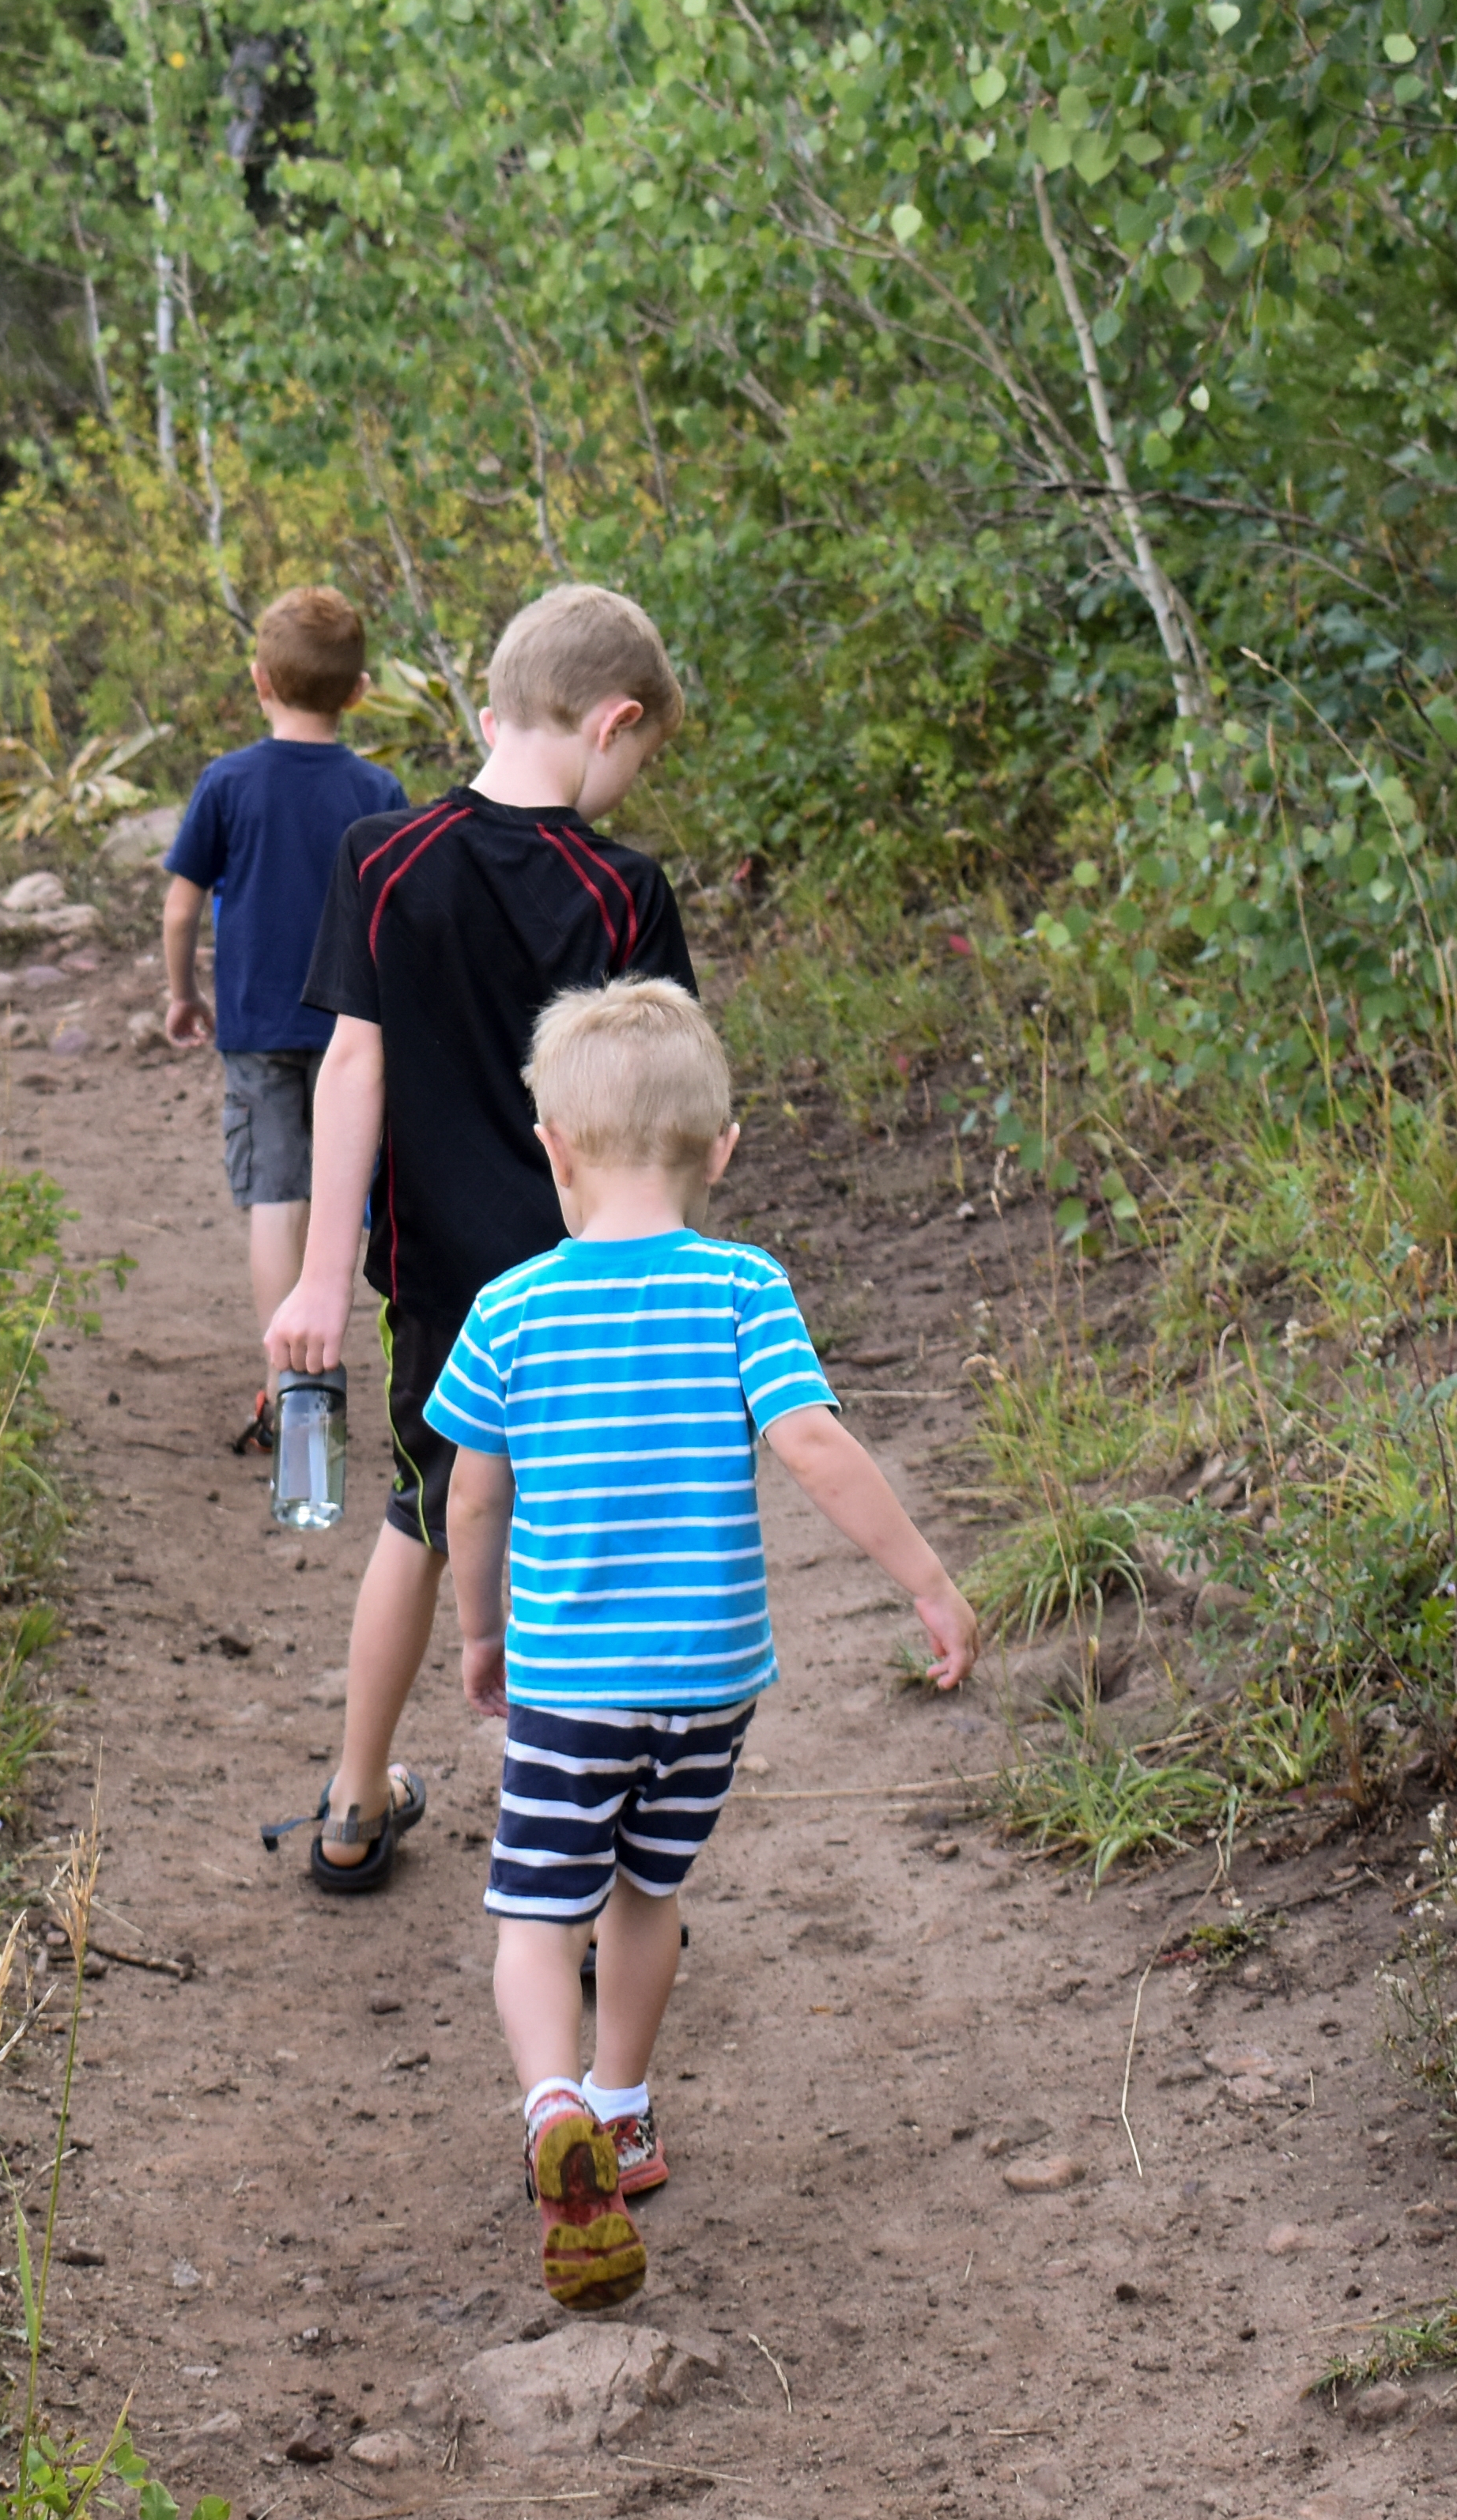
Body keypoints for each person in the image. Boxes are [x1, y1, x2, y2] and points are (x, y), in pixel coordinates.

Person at [430, 978, 978, 2308]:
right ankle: (623, 2111)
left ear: (550, 1146)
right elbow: (812, 1444)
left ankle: (552, 2100)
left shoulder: (512, 1309)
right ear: (721, 1150)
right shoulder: (744, 1286)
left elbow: (472, 1492)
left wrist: (480, 1630)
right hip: (711, 1685)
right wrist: (926, 1581)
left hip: (572, 1684)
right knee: (643, 1893)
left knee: (534, 1911)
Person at [260, 583, 697, 1896]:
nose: (633, 781)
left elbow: (350, 1067)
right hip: (601, 1285)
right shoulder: (623, 892)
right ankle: (585, 1858)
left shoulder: (384, 860)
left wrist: (322, 1279)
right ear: (613, 721)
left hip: (449, 1292)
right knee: (583, 1554)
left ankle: (352, 1801)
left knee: (424, 1518)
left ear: (498, 704)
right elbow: (663, 1110)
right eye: (643, 755)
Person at [161, 590, 413, 1449]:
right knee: (360, 1189)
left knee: (277, 1191)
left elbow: (181, 906)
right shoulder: (377, 789)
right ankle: (389, 1363)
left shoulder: (226, 782)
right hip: (359, 1029)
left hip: (258, 1024)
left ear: (260, 680)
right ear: (359, 691)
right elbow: (402, 908)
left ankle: (289, 1379)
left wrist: (182, 992)